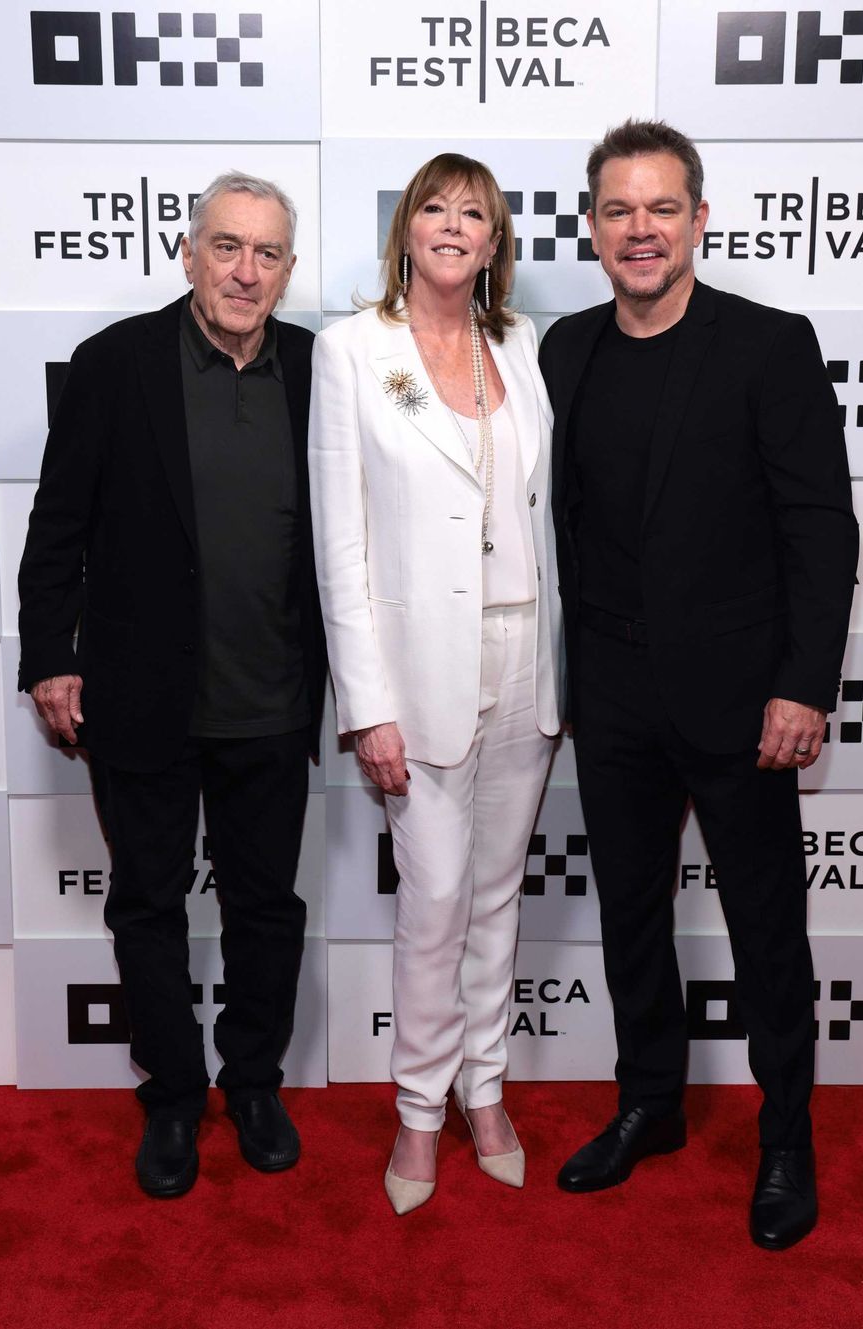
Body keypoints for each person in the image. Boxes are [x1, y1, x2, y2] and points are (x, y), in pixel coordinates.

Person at [539, 121, 857, 1249]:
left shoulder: (767, 344)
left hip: (740, 696)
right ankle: (649, 1104)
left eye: (660, 208)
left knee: (765, 924)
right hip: (609, 693)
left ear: (697, 220)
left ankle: (785, 1138)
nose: (639, 229)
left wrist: (802, 687)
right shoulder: (562, 350)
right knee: (629, 913)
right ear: (590, 226)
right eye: (618, 210)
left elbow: (818, 528)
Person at [18, 172, 325, 1198]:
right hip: (142, 694)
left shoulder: (319, 371)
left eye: (267, 253)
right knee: (148, 904)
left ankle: (251, 1084)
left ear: (288, 268)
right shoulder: (115, 364)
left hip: (274, 697)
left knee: (264, 906)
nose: (246, 270)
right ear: (188, 252)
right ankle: (172, 1097)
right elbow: (57, 525)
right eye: (227, 246)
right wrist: (48, 655)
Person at [309, 153, 562, 1214]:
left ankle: (484, 1089)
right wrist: (365, 703)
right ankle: (417, 1113)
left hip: (525, 659)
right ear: (405, 230)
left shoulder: (520, 342)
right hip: (415, 678)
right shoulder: (353, 352)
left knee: (497, 894)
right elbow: (342, 544)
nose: (453, 226)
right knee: (436, 899)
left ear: (495, 241)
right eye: (434, 209)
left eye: (475, 214)